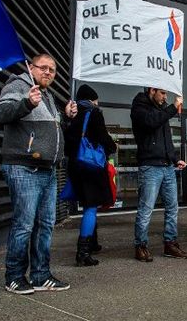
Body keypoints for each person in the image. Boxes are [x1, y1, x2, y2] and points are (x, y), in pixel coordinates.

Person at [0, 53, 77, 294]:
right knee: (24, 225)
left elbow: (52, 133)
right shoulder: (18, 84)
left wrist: (68, 118)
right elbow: (1, 113)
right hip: (24, 167)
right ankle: (14, 277)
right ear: (31, 67)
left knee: (45, 224)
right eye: (43, 68)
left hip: (48, 170)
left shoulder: (48, 95)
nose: (48, 73)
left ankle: (40, 275)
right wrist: (26, 103)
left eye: (52, 70)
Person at [131, 87, 187, 261]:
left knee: (172, 207)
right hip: (150, 166)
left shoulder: (162, 109)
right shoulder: (140, 106)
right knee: (146, 208)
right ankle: (140, 246)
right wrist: (173, 107)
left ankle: (170, 243)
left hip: (167, 166)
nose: (165, 96)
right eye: (162, 93)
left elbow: (166, 139)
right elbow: (150, 122)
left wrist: (174, 158)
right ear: (152, 90)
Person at [64, 84, 117, 266]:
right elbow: (103, 138)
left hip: (74, 166)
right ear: (92, 99)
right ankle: (83, 252)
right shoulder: (93, 113)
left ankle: (92, 243)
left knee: (87, 203)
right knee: (91, 207)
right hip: (91, 167)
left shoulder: (70, 115)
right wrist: (113, 147)